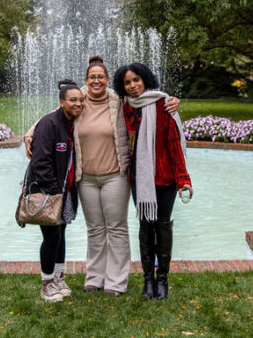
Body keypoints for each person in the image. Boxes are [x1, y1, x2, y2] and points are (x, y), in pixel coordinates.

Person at [24, 56, 180, 296]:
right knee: (95, 228)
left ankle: (116, 281)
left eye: (101, 76)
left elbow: (147, 100)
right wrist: (30, 132)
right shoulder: (79, 100)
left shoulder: (120, 100)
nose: (97, 80)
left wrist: (171, 101)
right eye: (92, 77)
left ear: (108, 80)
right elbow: (54, 115)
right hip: (85, 177)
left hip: (115, 175)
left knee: (116, 227)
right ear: (86, 80)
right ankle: (95, 277)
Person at [113, 62, 192, 300]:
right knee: (146, 226)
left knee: (163, 225)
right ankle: (148, 279)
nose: (133, 85)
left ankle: (162, 279)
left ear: (145, 79)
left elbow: (173, 143)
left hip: (165, 176)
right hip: (139, 178)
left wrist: (183, 178)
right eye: (127, 82)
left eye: (136, 80)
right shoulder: (124, 107)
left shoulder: (163, 103)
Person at [28, 79, 83, 302]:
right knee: (51, 237)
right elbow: (40, 162)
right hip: (50, 194)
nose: (78, 103)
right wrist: (53, 191)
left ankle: (59, 277)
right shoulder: (49, 124)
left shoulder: (73, 124)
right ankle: (47, 283)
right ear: (61, 102)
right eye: (73, 100)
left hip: (67, 191)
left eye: (80, 100)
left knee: (61, 235)